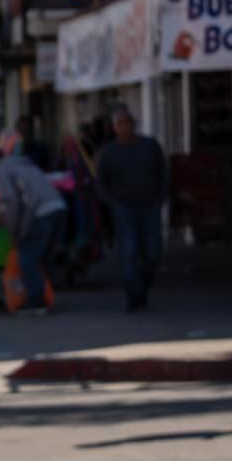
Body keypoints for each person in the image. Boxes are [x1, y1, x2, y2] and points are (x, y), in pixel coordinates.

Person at [96, 107, 168, 311]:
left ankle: (143, 284)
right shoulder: (109, 153)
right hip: (124, 209)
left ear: (134, 124)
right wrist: (113, 203)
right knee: (129, 251)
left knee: (152, 251)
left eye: (127, 123)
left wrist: (160, 198)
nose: (124, 128)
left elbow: (163, 173)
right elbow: (101, 182)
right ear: (114, 128)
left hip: (149, 206)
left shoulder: (149, 146)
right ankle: (134, 297)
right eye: (119, 124)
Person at [0, 151, 66, 313]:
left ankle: (36, 300)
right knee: (40, 257)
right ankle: (44, 296)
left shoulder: (2, 168)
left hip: (40, 212)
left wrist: (14, 231)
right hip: (58, 208)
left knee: (27, 257)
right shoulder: (27, 165)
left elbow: (13, 201)